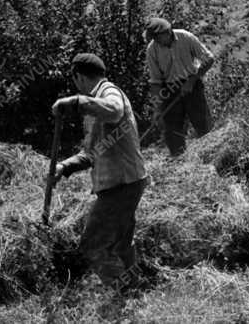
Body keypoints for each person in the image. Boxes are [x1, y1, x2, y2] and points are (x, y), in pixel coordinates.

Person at [49, 53, 148, 292]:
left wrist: (76, 102)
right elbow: (91, 153)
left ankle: (124, 294)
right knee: (121, 242)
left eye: (75, 81)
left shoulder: (109, 92)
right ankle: (134, 290)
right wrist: (65, 166)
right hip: (127, 181)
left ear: (79, 77)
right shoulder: (96, 103)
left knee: (92, 245)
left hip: (121, 183)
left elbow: (114, 111)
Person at [143, 17, 215, 156]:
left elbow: (209, 58)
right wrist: (158, 107)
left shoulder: (186, 37)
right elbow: (156, 81)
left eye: (157, 37)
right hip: (169, 91)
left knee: (203, 125)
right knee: (173, 132)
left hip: (193, 86)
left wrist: (192, 80)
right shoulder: (152, 49)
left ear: (167, 32)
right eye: (153, 38)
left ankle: (211, 155)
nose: (155, 41)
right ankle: (179, 161)